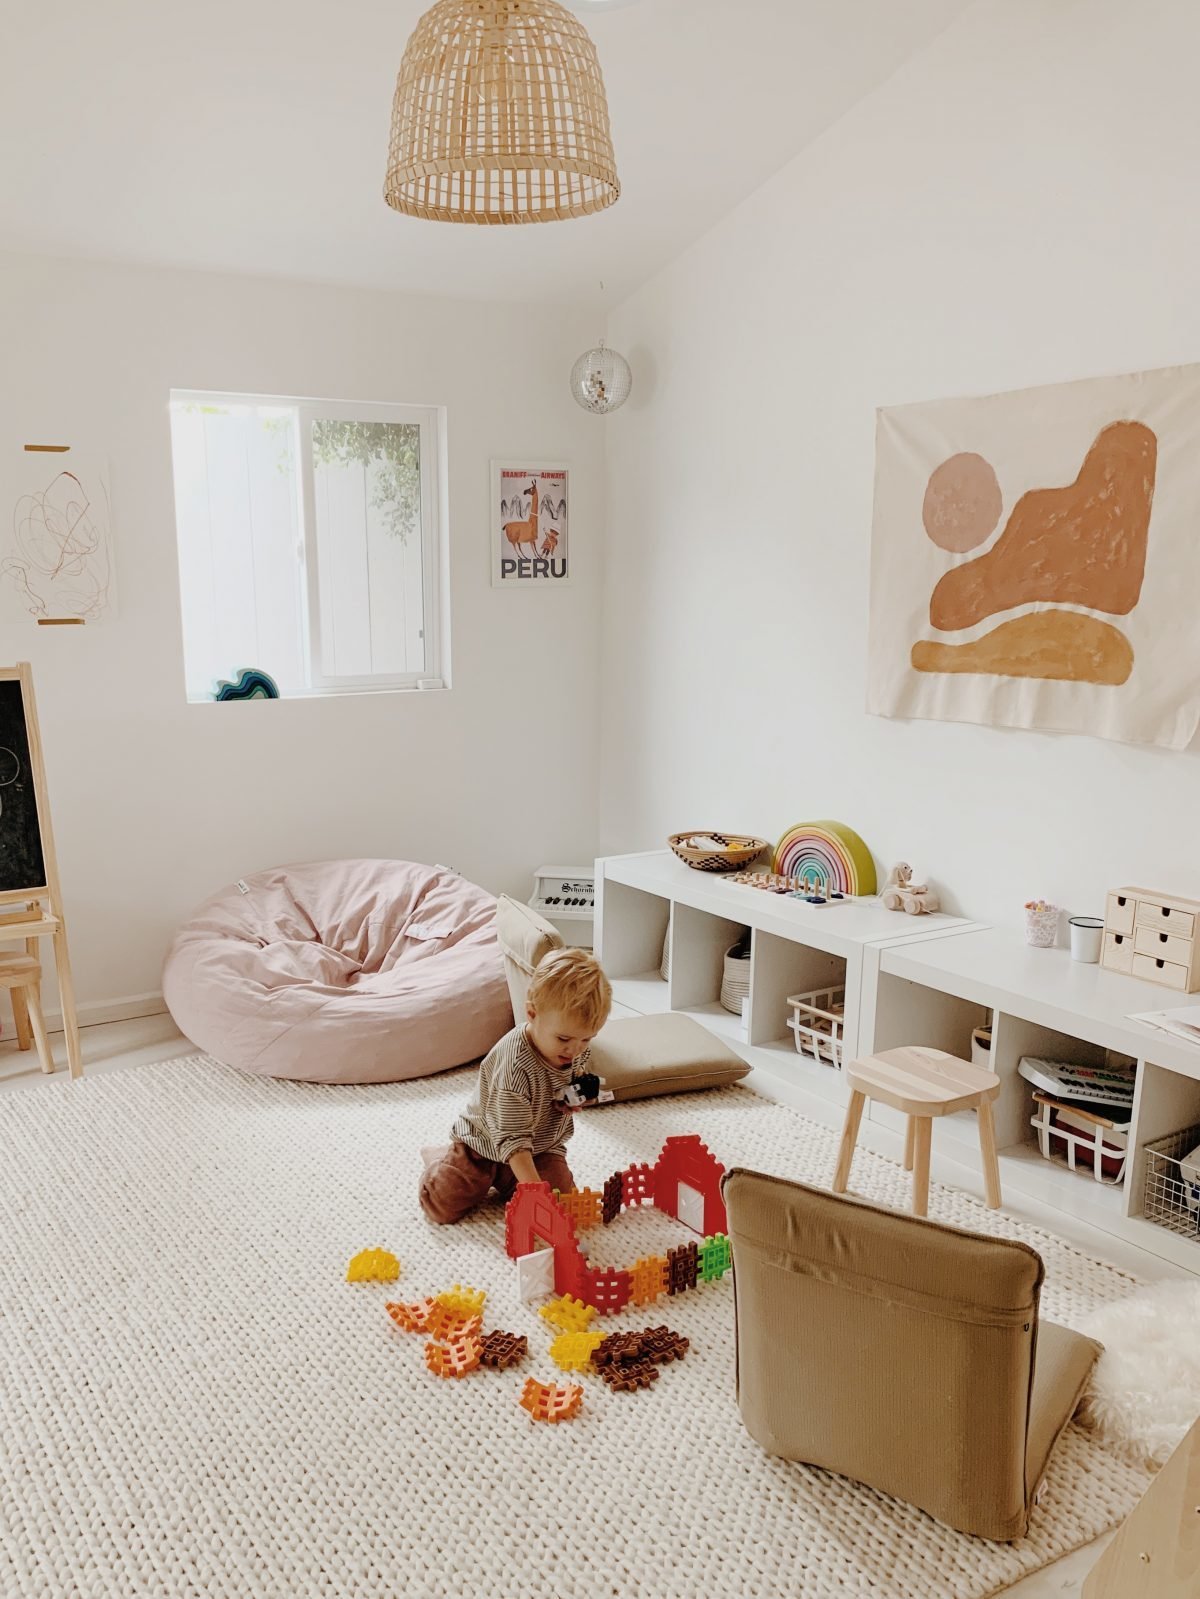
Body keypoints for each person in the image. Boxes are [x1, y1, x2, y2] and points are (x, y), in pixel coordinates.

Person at [418, 947, 612, 1225]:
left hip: (539, 1147)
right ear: (532, 1014)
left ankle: (516, 1182)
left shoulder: (575, 1047)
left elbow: (575, 1075)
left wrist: (575, 1096)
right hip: (483, 1146)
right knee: (442, 1207)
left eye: (586, 1040)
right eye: (564, 1039)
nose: (575, 1049)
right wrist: (535, 1193)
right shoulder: (514, 1067)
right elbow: (513, 1141)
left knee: (563, 1202)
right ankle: (438, 1160)